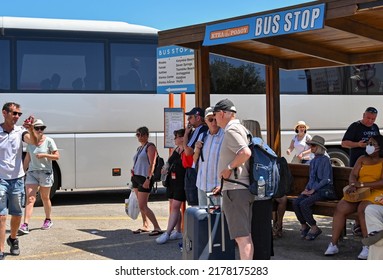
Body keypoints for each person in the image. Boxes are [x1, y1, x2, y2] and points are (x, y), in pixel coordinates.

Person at [324, 134, 383, 259]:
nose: (369, 146)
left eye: (372, 144)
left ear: (380, 147)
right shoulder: (361, 158)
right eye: (368, 143)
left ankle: (367, 246)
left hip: (376, 192)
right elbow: (353, 175)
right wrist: (352, 184)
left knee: (363, 209)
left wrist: (362, 184)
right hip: (357, 191)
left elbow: (381, 182)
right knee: (341, 207)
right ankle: (333, 244)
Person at [213, 99, 253, 260]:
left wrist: (228, 168)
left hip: (236, 190)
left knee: (242, 237)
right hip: (239, 188)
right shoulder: (240, 128)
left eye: (215, 115)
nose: (215, 119)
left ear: (222, 113)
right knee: (244, 236)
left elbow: (245, 153)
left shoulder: (232, 130)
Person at [0, 102, 37, 260]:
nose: (17, 117)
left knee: (16, 214)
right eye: (14, 113)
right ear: (4, 113)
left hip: (16, 179)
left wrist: (30, 129)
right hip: (0, 179)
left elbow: (34, 141)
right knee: (1, 216)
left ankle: (13, 239)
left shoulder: (20, 131)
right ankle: (1, 248)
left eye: (19, 114)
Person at [18, 119, 60, 234]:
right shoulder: (30, 143)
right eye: (37, 128)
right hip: (32, 173)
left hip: (45, 172)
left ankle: (48, 219)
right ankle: (25, 224)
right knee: (30, 199)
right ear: (33, 129)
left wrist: (45, 155)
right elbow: (27, 158)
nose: (40, 130)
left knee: (45, 198)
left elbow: (57, 156)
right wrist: (22, 172)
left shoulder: (49, 141)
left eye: (42, 128)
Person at [293, 135, 334, 241]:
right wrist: (307, 189)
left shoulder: (325, 160)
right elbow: (311, 178)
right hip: (314, 190)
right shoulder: (314, 160)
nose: (311, 147)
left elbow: (326, 179)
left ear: (319, 147)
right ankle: (304, 225)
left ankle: (314, 228)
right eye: (311, 145)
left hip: (323, 190)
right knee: (296, 202)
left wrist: (313, 189)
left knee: (304, 204)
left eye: (314, 145)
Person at [156, 129, 186, 244]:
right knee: (173, 206)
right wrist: (165, 168)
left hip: (181, 181)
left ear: (183, 138)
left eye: (176, 137)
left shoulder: (186, 150)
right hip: (172, 181)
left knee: (175, 206)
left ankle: (167, 232)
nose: (174, 139)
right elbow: (169, 162)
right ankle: (178, 231)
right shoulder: (176, 149)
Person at [130, 126, 162, 236]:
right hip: (136, 177)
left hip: (145, 178)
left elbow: (152, 163)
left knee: (143, 205)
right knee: (140, 204)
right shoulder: (139, 148)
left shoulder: (150, 146)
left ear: (147, 135)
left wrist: (148, 178)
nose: (139, 137)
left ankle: (157, 227)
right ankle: (145, 225)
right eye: (138, 134)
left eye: (142, 134)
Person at [193, 107, 224, 207]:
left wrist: (222, 185)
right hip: (202, 185)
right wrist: (197, 150)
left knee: (218, 220)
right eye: (210, 120)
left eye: (216, 119)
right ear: (205, 121)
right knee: (203, 219)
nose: (214, 123)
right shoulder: (202, 136)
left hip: (217, 187)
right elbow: (195, 161)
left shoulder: (225, 136)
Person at [182, 107, 208, 206]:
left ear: (198, 118)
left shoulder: (199, 129)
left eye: (190, 117)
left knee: (195, 203)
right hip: (200, 169)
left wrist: (186, 134)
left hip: (194, 169)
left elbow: (188, 151)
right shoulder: (204, 130)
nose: (188, 120)